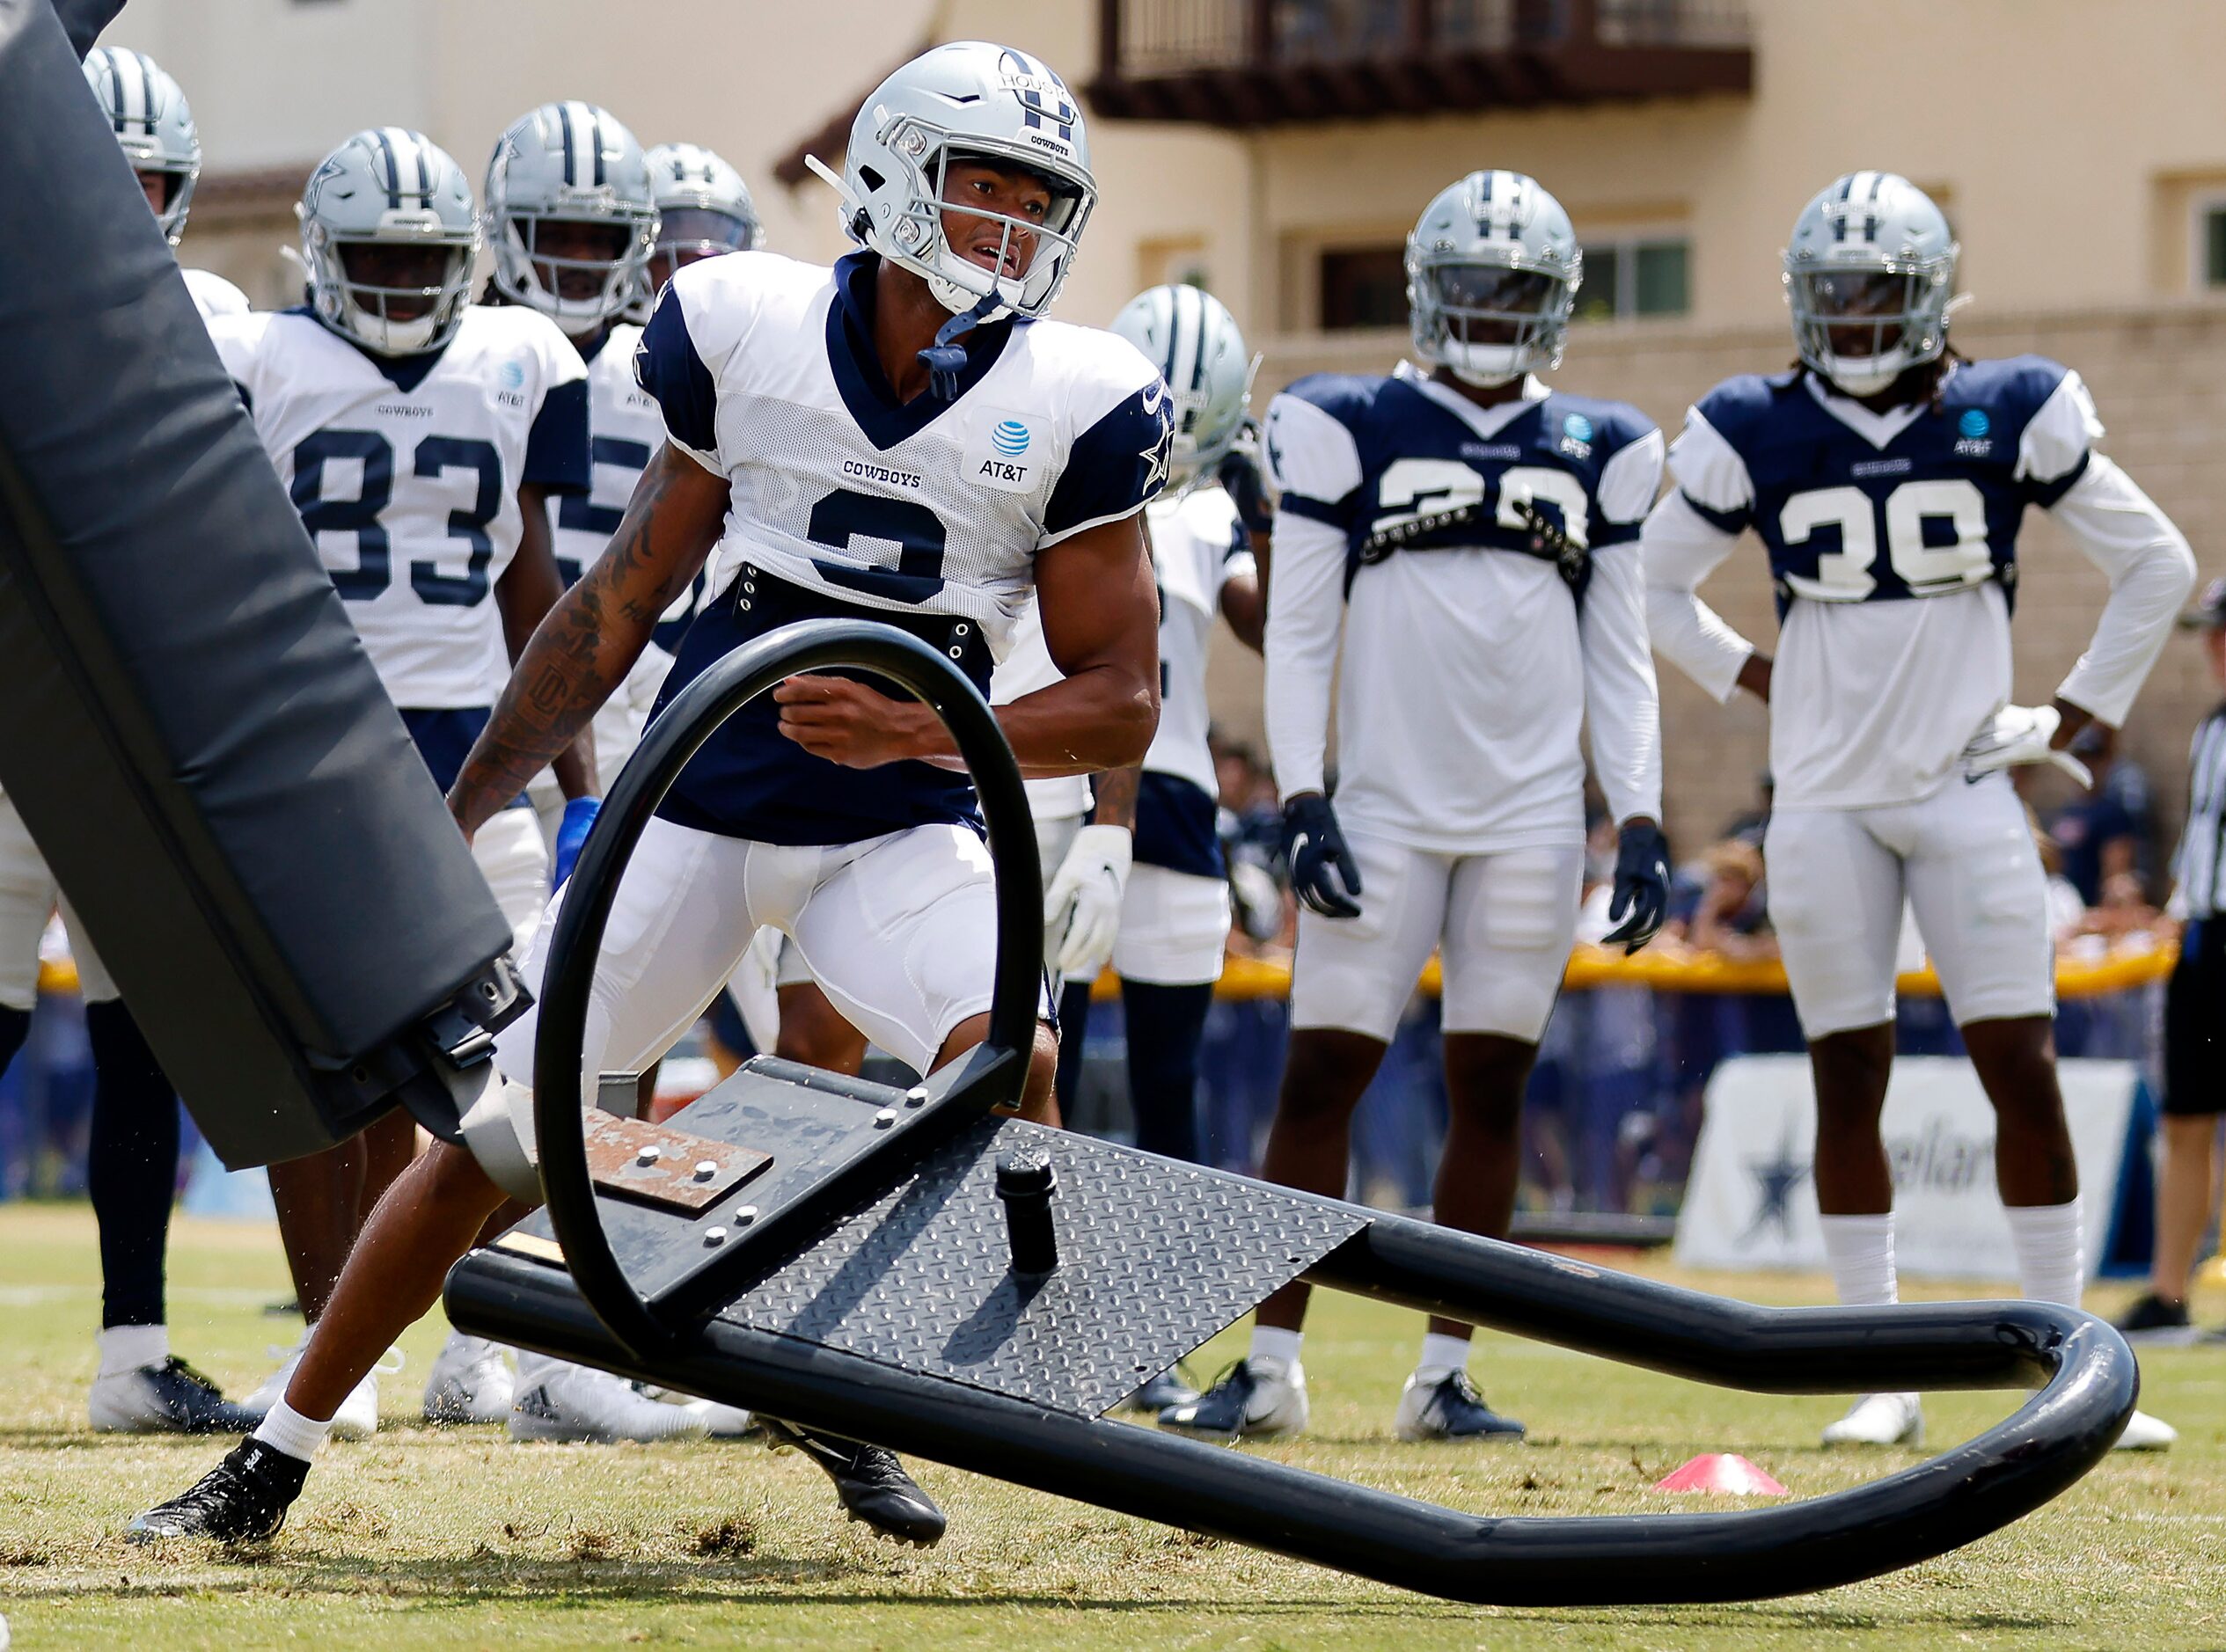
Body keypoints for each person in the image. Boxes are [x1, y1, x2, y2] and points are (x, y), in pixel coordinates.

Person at [131, 40, 1168, 1548]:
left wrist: (923, 735)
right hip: (696, 808)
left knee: (1008, 1062)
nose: (1012, 224)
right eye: (983, 185)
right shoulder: (745, 329)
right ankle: (270, 1458)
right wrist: (474, 800)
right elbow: (613, 600)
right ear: (892, 176)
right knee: (495, 1145)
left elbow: (1123, 693)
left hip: (898, 828)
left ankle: (871, 1382)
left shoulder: (1078, 393)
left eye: (1038, 197)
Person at [1641, 171, 2192, 1451]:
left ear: (1931, 293)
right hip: (1825, 799)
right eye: (1829, 292)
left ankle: (2072, 1361)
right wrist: (1754, 672)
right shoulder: (1753, 424)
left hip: (1960, 786)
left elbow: (2155, 562)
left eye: (1874, 290)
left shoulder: (2007, 407)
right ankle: (1876, 1370)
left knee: (2022, 1068)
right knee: (1848, 1078)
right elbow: (1654, 585)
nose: (1849, 314)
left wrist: (2071, 717)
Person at [1167, 171, 1670, 1444]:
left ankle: (1444, 1373)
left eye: (1514, 292)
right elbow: (1299, 622)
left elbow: (1620, 650)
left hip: (1531, 816)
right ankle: (1271, 1363)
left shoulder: (1604, 444)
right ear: (1423, 292)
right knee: (1322, 1072)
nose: (1491, 312)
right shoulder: (1347, 420)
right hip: (1383, 808)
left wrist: (1643, 815)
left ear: (1555, 304)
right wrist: (1305, 792)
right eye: (1470, 288)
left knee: (1490, 1088)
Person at [204, 127, 598, 1440]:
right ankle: (340, 1351)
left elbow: (534, 584)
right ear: (317, 253)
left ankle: (518, 1344)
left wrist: (577, 777)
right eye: (371, 254)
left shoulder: (519, 358)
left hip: (471, 750)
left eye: (419, 258)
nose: (393, 278)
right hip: (312, 745)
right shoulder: (265, 357)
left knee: (525, 1068)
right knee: (332, 1075)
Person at [475, 99, 745, 1444]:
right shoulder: (498, 361)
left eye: (603, 234)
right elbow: (531, 593)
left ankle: (558, 1332)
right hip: (532, 736)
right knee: (541, 1050)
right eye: (557, 230)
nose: (582, 259)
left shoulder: (673, 368)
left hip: (663, 739)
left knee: (612, 1050)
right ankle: (543, 1351)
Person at [26, 46, 260, 1435]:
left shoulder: (220, 320)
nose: (104, 204)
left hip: (139, 727)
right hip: (14, 707)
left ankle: (131, 1350)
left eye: (140, 181)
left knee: (140, 1040)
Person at [2116, 578, 2226, 1341]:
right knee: (2186, 1119)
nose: (2214, 647)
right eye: (2211, 633)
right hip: (2203, 934)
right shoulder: (2211, 727)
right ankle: (2169, 1292)